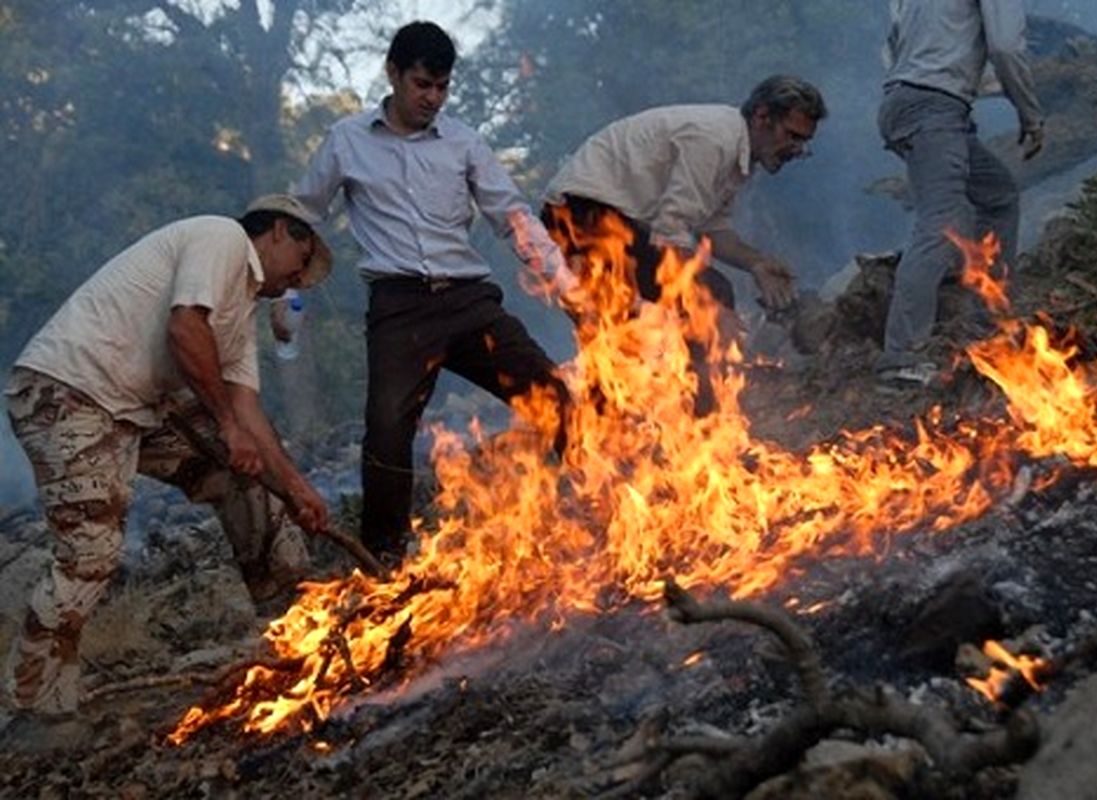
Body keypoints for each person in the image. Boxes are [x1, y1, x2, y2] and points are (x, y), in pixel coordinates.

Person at [1, 194, 333, 736]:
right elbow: (185, 329)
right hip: (68, 392)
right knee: (89, 554)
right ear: (278, 232)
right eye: (302, 260)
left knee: (243, 476)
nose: (297, 280)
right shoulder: (220, 237)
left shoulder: (241, 312)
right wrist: (226, 426)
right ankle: (29, 711)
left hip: (133, 409)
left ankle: (291, 622)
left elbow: (247, 411)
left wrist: (297, 489)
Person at [291, 21, 574, 562]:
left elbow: (510, 215)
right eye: (422, 84)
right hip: (399, 309)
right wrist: (287, 298)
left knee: (552, 394)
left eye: (443, 87)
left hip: (469, 302)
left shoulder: (463, 141)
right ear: (393, 74)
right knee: (386, 434)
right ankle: (384, 562)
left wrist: (565, 284)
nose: (433, 98)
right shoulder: (346, 140)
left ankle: (613, 497)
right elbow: (303, 216)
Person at [540, 75, 827, 413]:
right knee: (707, 293)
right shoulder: (715, 140)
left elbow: (713, 230)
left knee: (629, 328)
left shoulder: (738, 155)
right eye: (791, 136)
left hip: (597, 215)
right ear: (763, 116)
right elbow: (671, 231)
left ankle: (612, 423)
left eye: (803, 141)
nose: (796, 149)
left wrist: (757, 264)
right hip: (581, 214)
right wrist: (708, 304)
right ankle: (704, 417)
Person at [875, 0, 1044, 388]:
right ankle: (900, 358)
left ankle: (988, 330)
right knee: (943, 221)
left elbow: (894, 44)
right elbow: (1005, 47)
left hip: (909, 102)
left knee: (998, 196)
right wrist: (1030, 113)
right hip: (935, 106)